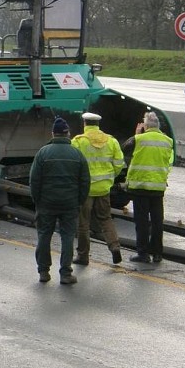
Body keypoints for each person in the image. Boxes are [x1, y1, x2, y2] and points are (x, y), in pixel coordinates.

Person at [29, 116, 91, 284]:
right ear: (68, 134)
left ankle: (43, 271)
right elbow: (85, 181)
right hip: (70, 204)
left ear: (53, 134)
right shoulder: (77, 154)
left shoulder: (43, 153)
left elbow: (34, 180)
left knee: (44, 236)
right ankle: (65, 273)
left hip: (46, 203)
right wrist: (79, 200)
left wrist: (37, 201)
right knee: (68, 237)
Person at [70, 112, 126, 266]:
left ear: (84, 124)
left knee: (83, 223)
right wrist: (110, 178)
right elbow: (119, 163)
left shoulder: (78, 141)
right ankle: (114, 247)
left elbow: (72, 163)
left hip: (85, 189)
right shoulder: (111, 141)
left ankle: (83, 256)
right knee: (105, 218)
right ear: (98, 125)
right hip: (103, 188)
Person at [123, 111, 174, 264]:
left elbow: (124, 149)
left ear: (145, 126)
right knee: (158, 221)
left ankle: (143, 253)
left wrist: (137, 133)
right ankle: (158, 253)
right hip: (158, 188)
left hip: (140, 186)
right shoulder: (168, 141)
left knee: (142, 221)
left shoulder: (138, 139)